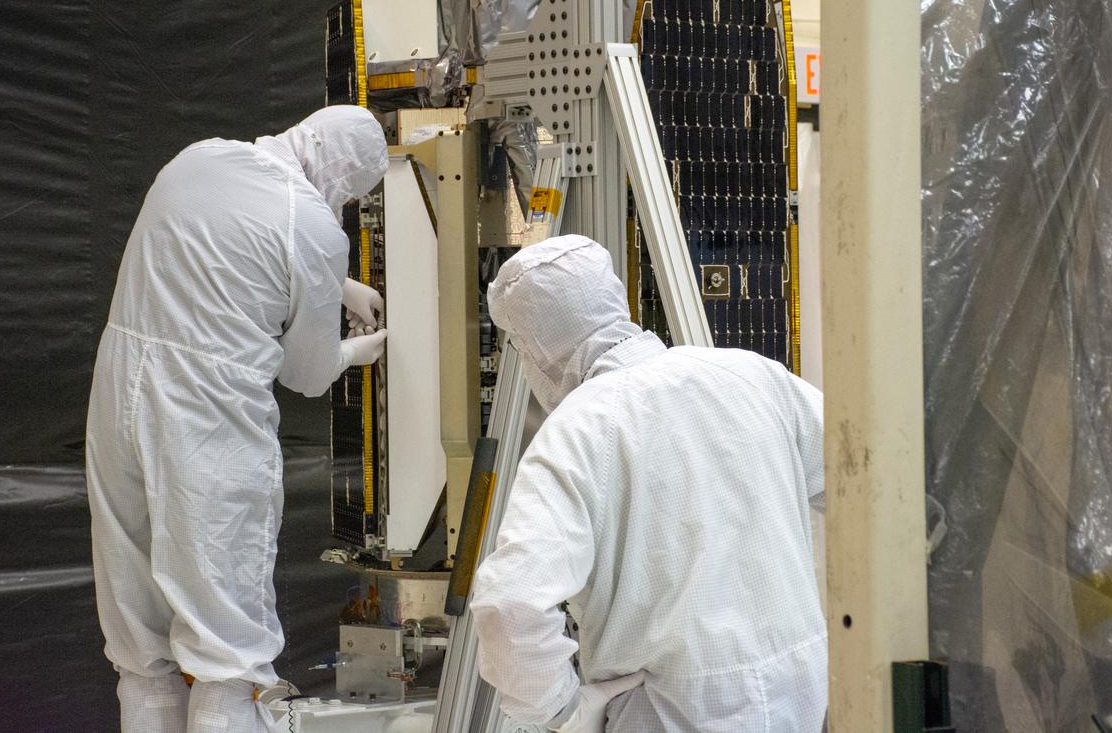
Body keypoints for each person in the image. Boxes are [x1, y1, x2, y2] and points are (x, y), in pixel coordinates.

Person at [86, 105, 390, 733]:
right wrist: (363, 347)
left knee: (142, 652)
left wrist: (336, 284)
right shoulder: (311, 225)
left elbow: (231, 248)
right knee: (227, 655)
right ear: (343, 178)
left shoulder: (198, 158)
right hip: (206, 423)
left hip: (118, 401)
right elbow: (306, 373)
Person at [471, 234, 828, 733]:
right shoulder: (754, 376)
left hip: (668, 710)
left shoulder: (576, 433)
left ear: (535, 347)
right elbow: (864, 484)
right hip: (802, 693)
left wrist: (559, 712)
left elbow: (510, 604)